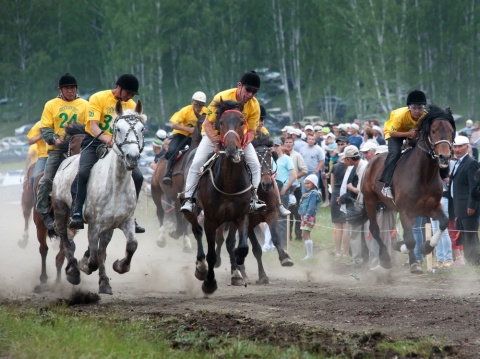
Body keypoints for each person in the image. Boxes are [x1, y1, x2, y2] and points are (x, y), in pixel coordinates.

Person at [180, 71, 266, 213]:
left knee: (255, 164)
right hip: (214, 133)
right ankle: (189, 199)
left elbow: (251, 131)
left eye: (254, 92)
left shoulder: (255, 105)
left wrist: (242, 145)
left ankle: (254, 199)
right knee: (197, 162)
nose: (250, 94)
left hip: (238, 138)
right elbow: (207, 124)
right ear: (239, 85)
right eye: (248, 90)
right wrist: (216, 143)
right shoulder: (221, 97)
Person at [69, 74, 145, 233]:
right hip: (95, 141)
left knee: (138, 177)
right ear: (119, 87)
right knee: (83, 172)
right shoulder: (98, 98)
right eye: (128, 93)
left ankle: (131, 215)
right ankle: (76, 211)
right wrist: (107, 140)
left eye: (132, 95)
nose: (130, 97)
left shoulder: (130, 104)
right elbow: (93, 126)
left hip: (119, 146)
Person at [36, 73, 89, 231]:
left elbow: (90, 126)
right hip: (57, 150)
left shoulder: (85, 105)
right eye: (66, 88)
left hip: (80, 150)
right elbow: (45, 127)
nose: (70, 90)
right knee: (45, 181)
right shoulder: (50, 105)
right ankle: (44, 211)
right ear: (60, 89)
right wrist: (54, 139)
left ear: (76, 88)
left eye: (72, 88)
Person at [379, 90, 427, 199]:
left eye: (420, 108)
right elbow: (391, 132)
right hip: (395, 133)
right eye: (414, 108)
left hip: (412, 134)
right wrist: (408, 134)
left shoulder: (425, 116)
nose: (417, 111)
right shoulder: (400, 115)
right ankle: (386, 185)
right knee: (395, 153)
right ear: (409, 107)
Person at [163, 92, 208, 185]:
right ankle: (168, 173)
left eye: (201, 105)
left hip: (196, 137)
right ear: (192, 102)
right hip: (181, 135)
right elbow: (173, 125)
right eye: (196, 104)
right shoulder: (185, 111)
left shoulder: (207, 112)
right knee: (173, 150)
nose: (198, 107)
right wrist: (188, 129)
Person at [448, 135, 480, 265]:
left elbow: (475, 186)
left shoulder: (471, 163)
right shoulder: (458, 163)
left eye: (460, 146)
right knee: (464, 237)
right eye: (455, 147)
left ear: (467, 147)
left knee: (470, 236)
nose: (457, 149)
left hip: (468, 207)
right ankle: (471, 262)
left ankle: (475, 263)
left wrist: (472, 205)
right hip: (459, 207)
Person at [338, 145, 369, 268]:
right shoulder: (357, 167)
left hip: (364, 205)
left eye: (345, 159)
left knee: (365, 233)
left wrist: (350, 188)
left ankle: (366, 260)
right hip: (360, 203)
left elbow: (362, 191)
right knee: (355, 232)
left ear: (350, 159)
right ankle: (357, 259)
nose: (344, 161)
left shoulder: (363, 168)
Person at [283, 136, 308, 238]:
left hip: (295, 188)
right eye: (286, 142)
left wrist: (294, 177)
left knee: (297, 212)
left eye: (290, 142)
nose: (288, 144)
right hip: (284, 188)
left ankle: (298, 234)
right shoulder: (281, 156)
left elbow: (304, 170)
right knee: (286, 212)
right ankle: (287, 235)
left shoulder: (297, 156)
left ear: (293, 144)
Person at [298, 174, 321, 260]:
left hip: (308, 217)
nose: (306, 185)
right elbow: (303, 204)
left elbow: (311, 207)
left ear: (314, 184)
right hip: (305, 216)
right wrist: (302, 198)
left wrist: (307, 217)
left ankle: (309, 255)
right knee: (306, 234)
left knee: (304, 234)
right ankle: (309, 254)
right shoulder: (309, 194)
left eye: (309, 183)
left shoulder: (313, 194)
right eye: (306, 183)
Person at [26, 120, 48, 200]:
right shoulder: (39, 125)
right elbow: (30, 141)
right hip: (43, 156)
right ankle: (35, 201)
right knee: (34, 178)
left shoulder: (57, 121)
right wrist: (40, 136)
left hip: (59, 153)